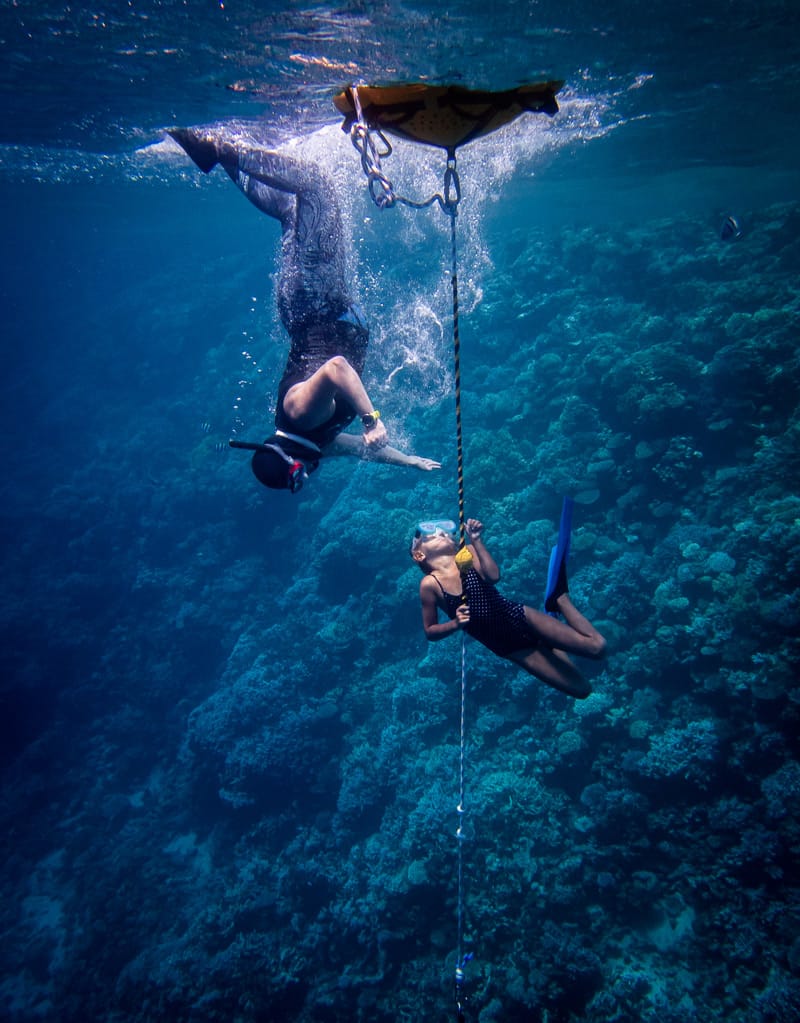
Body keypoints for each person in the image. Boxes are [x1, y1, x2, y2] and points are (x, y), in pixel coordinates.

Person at [169, 126, 441, 492]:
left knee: (315, 185)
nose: (307, 476)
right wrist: (407, 460)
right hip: (317, 304)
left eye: (297, 476)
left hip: (316, 300)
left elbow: (336, 368)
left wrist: (371, 419)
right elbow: (363, 450)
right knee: (292, 211)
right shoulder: (318, 441)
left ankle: (218, 149)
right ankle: (221, 160)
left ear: (291, 462)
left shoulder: (299, 413)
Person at [410, 517, 607, 699]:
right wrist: (455, 624)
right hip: (510, 647)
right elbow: (430, 631)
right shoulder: (430, 584)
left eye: (446, 533)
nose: (443, 534)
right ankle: (548, 642)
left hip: (519, 617)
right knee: (582, 690)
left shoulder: (466, 553)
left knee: (597, 647)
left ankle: (560, 600)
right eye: (433, 536)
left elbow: (493, 576)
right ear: (418, 554)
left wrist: (477, 541)